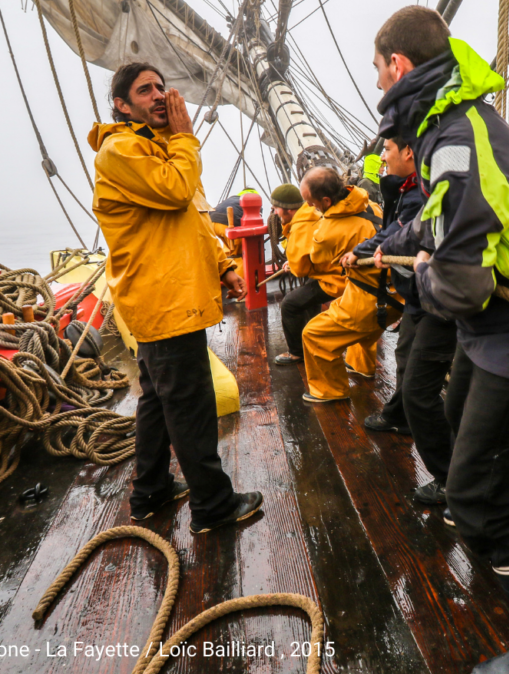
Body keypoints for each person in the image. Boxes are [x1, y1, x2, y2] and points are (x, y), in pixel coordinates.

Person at [373, 5, 509, 674]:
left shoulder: (452, 137)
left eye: (378, 70)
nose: (379, 82)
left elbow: (464, 285)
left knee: (478, 498)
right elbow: (452, 219)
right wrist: (403, 240)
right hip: (492, 336)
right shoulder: (455, 122)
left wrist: (426, 277)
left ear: (398, 67)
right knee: (465, 452)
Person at [89, 62, 262, 535]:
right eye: (146, 90)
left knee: (158, 402)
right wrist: (187, 138)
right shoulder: (122, 150)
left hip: (168, 294)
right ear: (122, 106)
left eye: (162, 86)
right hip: (164, 300)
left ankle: (151, 490)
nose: (160, 94)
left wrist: (224, 265)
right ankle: (212, 506)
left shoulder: (161, 150)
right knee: (190, 403)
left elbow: (193, 219)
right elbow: (174, 191)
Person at [342, 137, 456, 507]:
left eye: (387, 149)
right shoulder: (403, 188)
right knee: (408, 360)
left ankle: (452, 480)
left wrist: (364, 251)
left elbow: (400, 234)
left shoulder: (421, 191)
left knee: (421, 387)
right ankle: (399, 415)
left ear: (409, 152)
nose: (381, 157)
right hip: (418, 294)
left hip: (436, 296)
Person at [300, 166, 401, 403]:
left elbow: (316, 260)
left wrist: (318, 221)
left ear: (326, 200)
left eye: (310, 202)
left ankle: (330, 390)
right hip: (397, 297)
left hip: (370, 303)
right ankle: (361, 366)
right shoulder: (371, 205)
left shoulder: (326, 232)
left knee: (314, 334)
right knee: (359, 325)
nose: (309, 206)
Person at [266, 182, 330, 365]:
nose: (275, 213)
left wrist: (293, 266)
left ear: (288, 210)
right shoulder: (312, 216)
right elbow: (310, 254)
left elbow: (300, 269)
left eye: (276, 209)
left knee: (290, 305)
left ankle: (296, 353)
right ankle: (313, 342)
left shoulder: (301, 226)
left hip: (331, 278)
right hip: (326, 272)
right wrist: (293, 263)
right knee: (307, 300)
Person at [208, 187, 259, 275]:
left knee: (228, 249)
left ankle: (224, 275)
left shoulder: (233, 198)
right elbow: (256, 222)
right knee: (238, 253)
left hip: (212, 221)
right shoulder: (252, 201)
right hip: (228, 223)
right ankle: (240, 281)